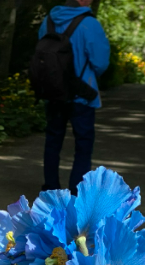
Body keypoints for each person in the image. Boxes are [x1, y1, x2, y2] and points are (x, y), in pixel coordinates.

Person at [39, 0, 110, 193]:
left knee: (53, 140)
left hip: (53, 92)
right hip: (82, 93)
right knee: (83, 144)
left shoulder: (48, 21)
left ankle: (51, 188)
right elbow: (100, 62)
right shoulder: (90, 24)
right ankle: (77, 190)